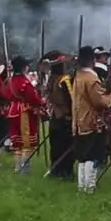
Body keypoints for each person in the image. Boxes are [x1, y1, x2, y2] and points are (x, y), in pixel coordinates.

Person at [72, 46, 111, 194]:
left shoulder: (78, 76)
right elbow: (99, 102)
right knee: (92, 155)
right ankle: (89, 187)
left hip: (79, 120)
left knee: (83, 157)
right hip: (92, 121)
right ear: (92, 60)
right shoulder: (91, 78)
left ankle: (81, 186)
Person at [6, 55, 48, 175]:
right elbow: (33, 98)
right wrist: (42, 101)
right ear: (24, 68)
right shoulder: (24, 82)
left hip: (13, 111)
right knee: (26, 143)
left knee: (17, 143)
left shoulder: (11, 81)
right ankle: (24, 170)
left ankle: (17, 167)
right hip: (24, 113)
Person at [43, 51, 75, 180]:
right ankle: (65, 172)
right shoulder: (65, 80)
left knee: (56, 146)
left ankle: (56, 170)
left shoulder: (51, 80)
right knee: (65, 147)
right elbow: (71, 100)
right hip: (65, 118)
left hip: (55, 117)